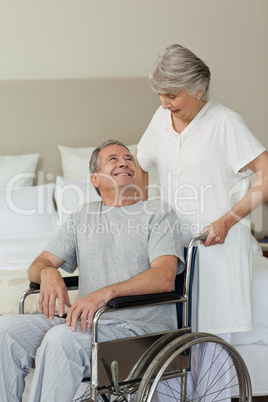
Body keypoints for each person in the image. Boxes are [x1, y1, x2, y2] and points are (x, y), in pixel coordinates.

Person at [0, 140, 184, 402]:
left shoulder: (158, 213)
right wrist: (48, 273)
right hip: (89, 324)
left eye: (128, 158)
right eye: (113, 159)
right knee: (6, 329)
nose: (124, 162)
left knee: (62, 338)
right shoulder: (82, 216)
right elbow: (38, 265)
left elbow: (165, 277)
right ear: (95, 179)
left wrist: (103, 295)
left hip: (140, 329)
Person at [134, 44, 268, 336]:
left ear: (199, 90)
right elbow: (140, 162)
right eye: (160, 94)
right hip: (170, 250)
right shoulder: (160, 119)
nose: (165, 102)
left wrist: (226, 220)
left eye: (172, 95)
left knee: (211, 343)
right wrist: (143, 214)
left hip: (217, 247)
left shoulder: (225, 122)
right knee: (175, 345)